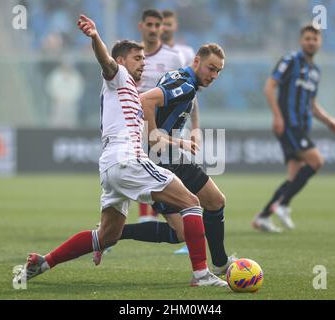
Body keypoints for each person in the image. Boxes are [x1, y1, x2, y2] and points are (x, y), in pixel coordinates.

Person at [13, 14, 226, 288]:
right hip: (128, 160)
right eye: (138, 59)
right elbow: (107, 62)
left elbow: (148, 130)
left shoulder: (129, 96)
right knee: (192, 203)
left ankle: (43, 262)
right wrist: (95, 37)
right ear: (123, 61)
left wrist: (178, 142)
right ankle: (201, 274)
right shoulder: (119, 76)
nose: (143, 65)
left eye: (144, 60)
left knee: (107, 236)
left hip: (111, 167)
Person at [119, 43, 237, 276]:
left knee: (200, 216)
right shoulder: (185, 85)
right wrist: (154, 136)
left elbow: (189, 98)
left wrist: (194, 127)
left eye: (218, 71)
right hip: (160, 159)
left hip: (169, 155)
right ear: (196, 62)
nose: (214, 76)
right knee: (204, 212)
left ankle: (221, 263)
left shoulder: (183, 79)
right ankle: (219, 264)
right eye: (211, 69)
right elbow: (145, 101)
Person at [252, 25, 335, 233]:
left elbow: (312, 104)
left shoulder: (315, 71)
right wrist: (277, 116)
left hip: (302, 126)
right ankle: (283, 204)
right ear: (301, 41)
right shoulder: (290, 61)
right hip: (289, 124)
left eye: (315, 39)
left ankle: (263, 217)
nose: (311, 42)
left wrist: (329, 121)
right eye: (307, 38)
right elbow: (270, 86)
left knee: (293, 176)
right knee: (316, 161)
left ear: (319, 43)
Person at [136, 9, 197, 223]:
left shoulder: (174, 57)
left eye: (157, 25)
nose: (154, 29)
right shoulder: (134, 54)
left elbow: (190, 93)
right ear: (141, 26)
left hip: (166, 126)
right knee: (132, 172)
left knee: (171, 171)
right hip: (136, 124)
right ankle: (143, 218)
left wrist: (195, 127)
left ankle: (172, 219)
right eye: (149, 25)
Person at [160, 9, 200, 255]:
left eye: (167, 23)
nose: (163, 28)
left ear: (174, 26)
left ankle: (109, 233)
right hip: (150, 126)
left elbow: (192, 94)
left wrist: (195, 128)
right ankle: (107, 233)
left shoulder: (183, 54)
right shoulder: (141, 53)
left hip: (173, 128)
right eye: (159, 23)